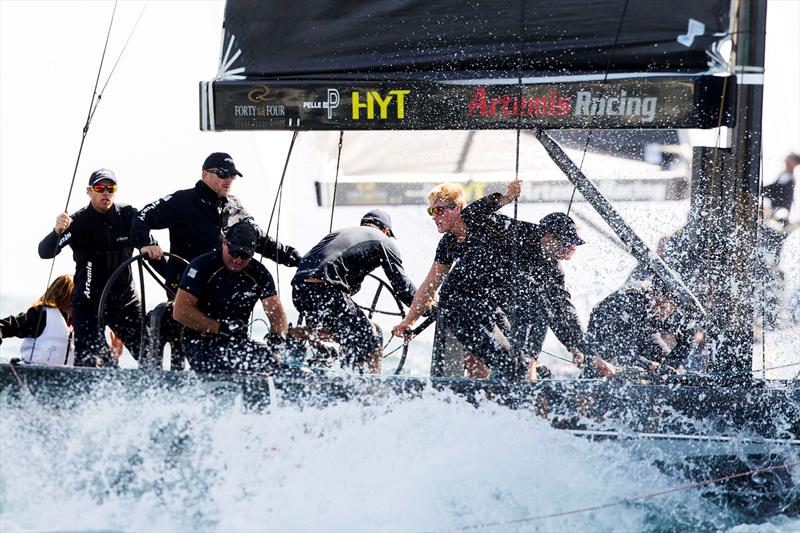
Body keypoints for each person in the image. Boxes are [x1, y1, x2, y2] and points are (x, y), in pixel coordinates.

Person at [129, 152, 301, 367]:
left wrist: (296, 259)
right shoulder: (183, 200)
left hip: (220, 291)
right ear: (205, 175)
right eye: (222, 174)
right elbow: (142, 216)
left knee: (228, 344)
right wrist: (146, 242)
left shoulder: (234, 206)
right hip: (186, 289)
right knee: (178, 338)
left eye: (232, 176)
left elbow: (258, 238)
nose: (228, 180)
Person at [436, 180, 615, 380]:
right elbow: (470, 215)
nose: (569, 250)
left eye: (572, 245)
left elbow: (562, 309)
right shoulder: (517, 232)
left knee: (536, 320)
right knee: (511, 361)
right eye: (565, 243)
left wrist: (582, 350)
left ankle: (526, 377)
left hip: (500, 307)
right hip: (465, 302)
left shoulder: (553, 269)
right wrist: (505, 199)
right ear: (547, 235)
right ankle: (515, 381)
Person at [38, 169, 145, 366]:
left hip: (125, 302)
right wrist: (56, 231)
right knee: (94, 363)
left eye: (110, 188)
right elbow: (45, 252)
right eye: (100, 188)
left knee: (149, 355)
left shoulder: (129, 215)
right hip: (89, 304)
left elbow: (149, 246)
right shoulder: (77, 222)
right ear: (89, 191)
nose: (106, 192)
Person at [292, 209, 416, 374]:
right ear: (386, 230)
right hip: (326, 289)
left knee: (339, 332)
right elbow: (403, 288)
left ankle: (291, 334)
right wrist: (428, 304)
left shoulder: (342, 234)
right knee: (372, 335)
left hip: (299, 289)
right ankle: (370, 390)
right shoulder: (384, 241)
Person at [391, 183, 489, 378]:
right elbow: (430, 285)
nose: (434, 217)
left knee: (478, 367)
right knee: (445, 379)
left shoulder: (484, 230)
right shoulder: (447, 243)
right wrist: (409, 321)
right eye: (431, 211)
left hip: (487, 312)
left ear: (457, 208)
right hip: (455, 314)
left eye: (438, 210)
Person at [172, 221, 289, 373]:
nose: (238, 260)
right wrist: (220, 329)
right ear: (225, 242)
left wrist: (278, 339)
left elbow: (276, 315)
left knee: (281, 369)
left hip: (237, 342)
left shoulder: (259, 273)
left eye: (245, 255)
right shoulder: (202, 266)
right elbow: (180, 311)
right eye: (234, 253)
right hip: (200, 341)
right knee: (226, 369)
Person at [585, 284, 693, 374]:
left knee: (667, 367)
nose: (664, 314)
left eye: (670, 310)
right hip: (608, 334)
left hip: (646, 334)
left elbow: (686, 343)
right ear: (653, 296)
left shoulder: (673, 311)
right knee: (611, 365)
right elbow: (626, 348)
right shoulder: (631, 300)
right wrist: (648, 364)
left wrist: (670, 365)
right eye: (663, 308)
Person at [0, 275, 76, 366]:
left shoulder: (81, 324)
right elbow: (4, 326)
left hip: (64, 377)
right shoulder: (41, 315)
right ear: (67, 296)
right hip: (29, 375)